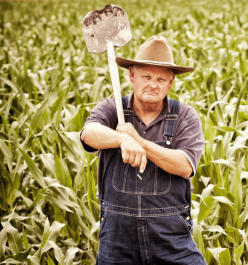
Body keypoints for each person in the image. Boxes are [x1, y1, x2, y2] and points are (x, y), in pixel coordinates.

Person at [80, 36, 206, 265]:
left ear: (171, 83)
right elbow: (88, 134)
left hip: (171, 239)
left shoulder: (185, 116)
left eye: (160, 79)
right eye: (146, 77)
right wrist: (121, 139)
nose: (153, 84)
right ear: (132, 76)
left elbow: (185, 166)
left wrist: (139, 142)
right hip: (118, 241)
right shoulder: (111, 109)